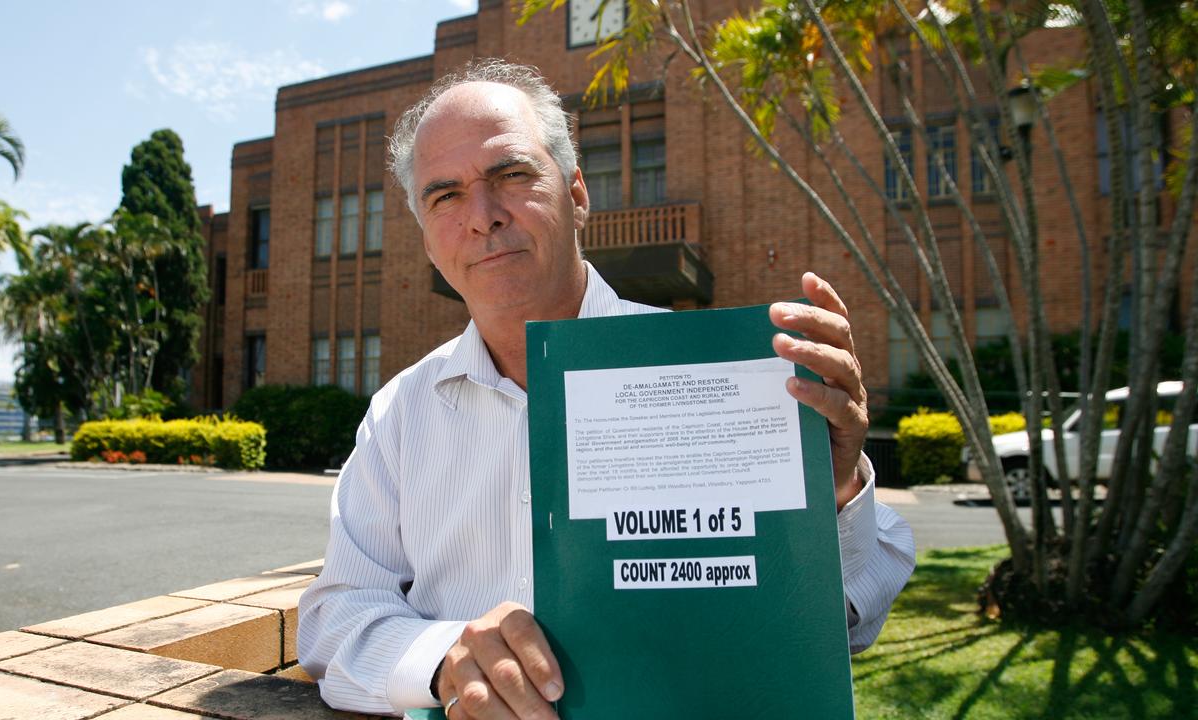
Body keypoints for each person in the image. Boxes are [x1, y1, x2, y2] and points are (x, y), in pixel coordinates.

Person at [297, 59, 915, 719]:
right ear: (426, 237)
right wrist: (445, 659)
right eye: (444, 195)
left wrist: (830, 496)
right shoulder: (400, 414)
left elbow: (849, 614)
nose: (482, 217)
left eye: (511, 174)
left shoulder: (713, 381)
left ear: (578, 194)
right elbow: (336, 616)